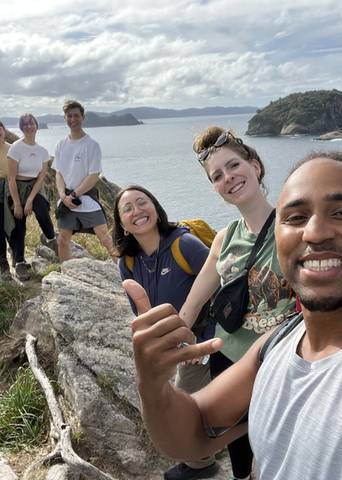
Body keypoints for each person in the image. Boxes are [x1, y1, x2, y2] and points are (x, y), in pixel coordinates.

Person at [124, 151, 342, 480]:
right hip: (234, 355)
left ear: (256, 167)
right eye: (295, 218)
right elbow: (194, 431)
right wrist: (154, 385)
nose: (314, 232)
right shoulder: (281, 343)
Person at [176, 127, 294, 480]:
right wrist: (182, 345)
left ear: (255, 165)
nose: (228, 178)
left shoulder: (292, 227)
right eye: (217, 176)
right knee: (241, 460)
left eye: (233, 165)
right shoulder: (225, 238)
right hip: (228, 365)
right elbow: (193, 304)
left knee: (282, 454)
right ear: (215, 188)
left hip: (280, 364)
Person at [113, 185, 219, 479]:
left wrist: (204, 339)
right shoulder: (128, 262)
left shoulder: (184, 245)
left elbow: (224, 287)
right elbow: (140, 312)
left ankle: (201, 465)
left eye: (142, 202)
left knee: (186, 404)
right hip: (172, 345)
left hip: (206, 340)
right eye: (128, 209)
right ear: (122, 224)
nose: (137, 211)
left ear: (155, 208)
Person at [52, 99, 113, 262]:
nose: (73, 119)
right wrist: (63, 195)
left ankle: (127, 275)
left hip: (86, 197)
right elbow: (58, 173)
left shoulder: (92, 145)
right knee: (63, 239)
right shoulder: (60, 145)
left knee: (105, 239)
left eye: (76, 116)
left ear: (83, 117)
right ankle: (67, 273)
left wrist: (74, 194)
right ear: (65, 118)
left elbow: (94, 175)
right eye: (69, 116)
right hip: (66, 200)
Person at [5, 113, 57, 281]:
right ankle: (19, 262)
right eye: (25, 124)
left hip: (34, 186)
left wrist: (29, 201)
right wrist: (18, 204)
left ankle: (51, 239)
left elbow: (41, 177)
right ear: (21, 127)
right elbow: (11, 178)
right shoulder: (16, 148)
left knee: (42, 209)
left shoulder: (42, 151)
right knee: (18, 224)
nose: (29, 126)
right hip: (16, 187)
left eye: (31, 123)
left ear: (36, 126)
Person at [0, 121, 11, 280]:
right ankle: (3, 263)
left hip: (11, 189)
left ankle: (17, 255)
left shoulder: (12, 148)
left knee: (12, 223)